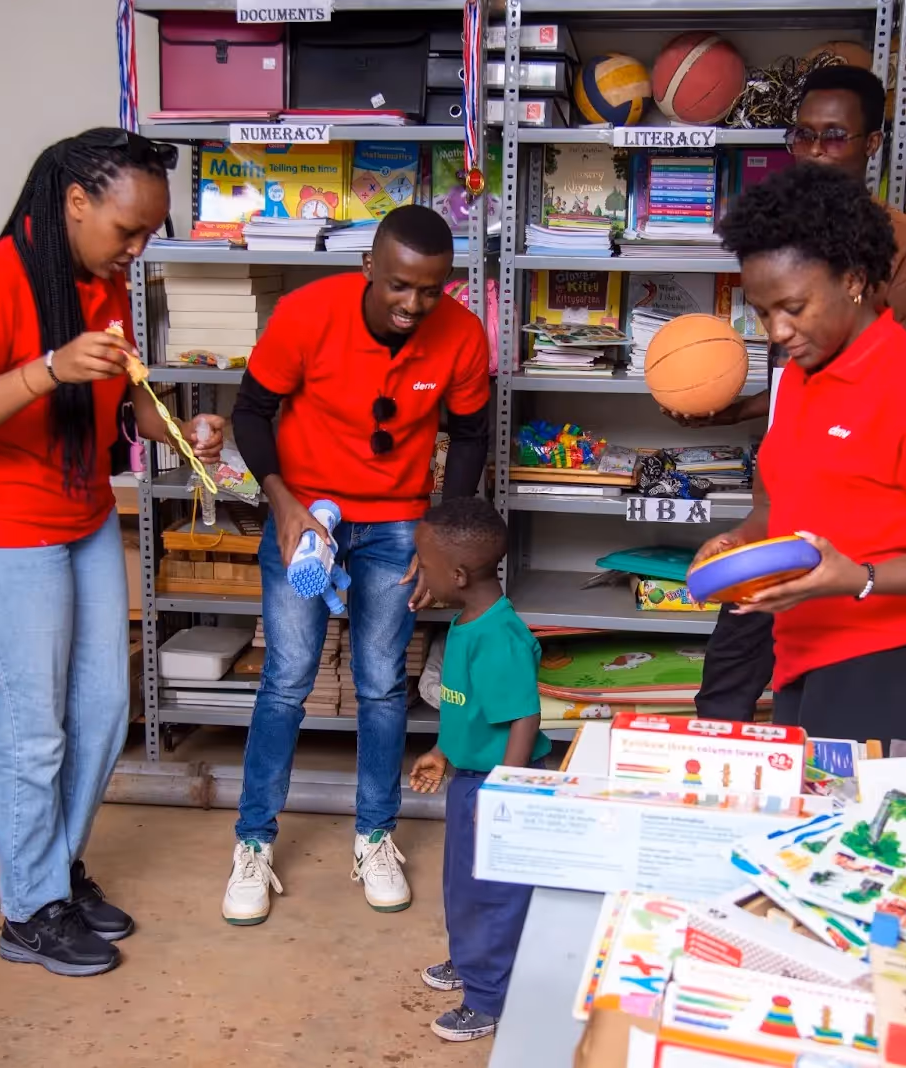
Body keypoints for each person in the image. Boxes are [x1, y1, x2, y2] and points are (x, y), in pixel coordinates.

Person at [0, 128, 225, 977]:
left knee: (100, 710)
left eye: (147, 236)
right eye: (126, 231)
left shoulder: (100, 280)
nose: (135, 251)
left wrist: (170, 423)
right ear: (75, 202)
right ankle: (29, 910)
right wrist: (48, 369)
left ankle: (54, 872)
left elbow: (119, 399)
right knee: (33, 731)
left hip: (80, 509)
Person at [223, 205, 492, 924]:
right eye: (400, 286)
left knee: (379, 682)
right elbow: (250, 412)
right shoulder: (307, 314)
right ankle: (252, 842)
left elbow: (469, 436)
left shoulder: (462, 336)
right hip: (306, 515)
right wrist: (281, 504)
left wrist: (440, 539)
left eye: (431, 291)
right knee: (287, 678)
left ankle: (375, 836)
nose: (414, 305)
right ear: (368, 267)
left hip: (399, 521)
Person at [680, 64, 906, 722]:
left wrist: (859, 571)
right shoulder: (782, 251)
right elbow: (805, 387)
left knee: (835, 744)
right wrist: (736, 413)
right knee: (727, 686)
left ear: (872, 143)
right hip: (784, 518)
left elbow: (903, 400)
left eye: (833, 136)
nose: (813, 151)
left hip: (856, 553)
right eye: (802, 135)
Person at [407, 498, 549, 1043]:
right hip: (473, 779)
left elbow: (523, 716)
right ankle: (470, 962)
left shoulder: (498, 637)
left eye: (425, 563)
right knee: (462, 884)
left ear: (459, 575)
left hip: (501, 785)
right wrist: (443, 752)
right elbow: (467, 706)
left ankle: (487, 997)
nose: (420, 571)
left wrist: (505, 791)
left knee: (492, 892)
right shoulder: (470, 623)